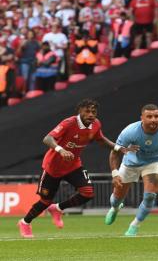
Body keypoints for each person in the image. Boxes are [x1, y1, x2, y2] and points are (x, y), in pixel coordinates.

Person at [18, 99, 136, 238]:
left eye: (94, 111)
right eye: (87, 111)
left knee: (88, 193)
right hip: (53, 167)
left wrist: (119, 148)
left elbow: (101, 139)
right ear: (79, 111)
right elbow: (47, 138)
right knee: (45, 201)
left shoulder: (96, 124)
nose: (91, 114)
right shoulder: (69, 123)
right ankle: (25, 222)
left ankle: (57, 208)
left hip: (73, 165)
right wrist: (61, 150)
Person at [104, 104, 158, 236]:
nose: (153, 119)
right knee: (117, 197)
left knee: (149, 197)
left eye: (156, 116)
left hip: (153, 163)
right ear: (142, 118)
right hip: (130, 163)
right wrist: (115, 174)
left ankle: (134, 225)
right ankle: (115, 208)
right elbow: (115, 152)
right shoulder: (130, 131)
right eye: (149, 116)